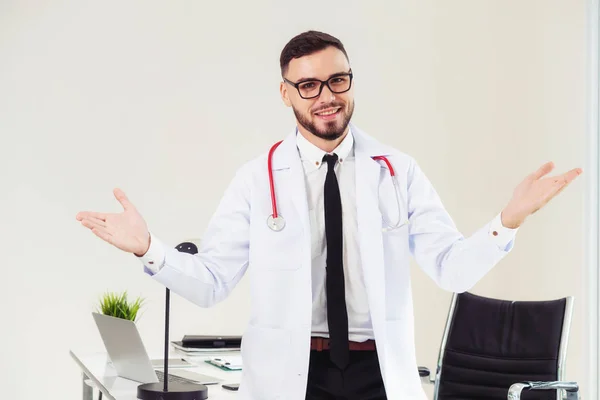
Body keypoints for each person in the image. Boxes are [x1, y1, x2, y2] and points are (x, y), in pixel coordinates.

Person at [76, 30, 582, 400]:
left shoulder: (397, 171)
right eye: (309, 85)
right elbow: (211, 283)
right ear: (286, 93)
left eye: (338, 80)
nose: (327, 96)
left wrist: (508, 220)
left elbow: (451, 268)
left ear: (351, 82)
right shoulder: (258, 178)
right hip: (293, 376)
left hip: (378, 374)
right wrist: (148, 248)